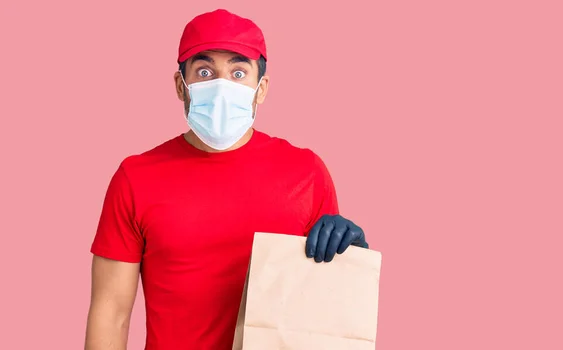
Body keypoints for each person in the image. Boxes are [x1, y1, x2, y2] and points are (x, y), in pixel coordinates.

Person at [84, 8, 369, 350]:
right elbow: (111, 312)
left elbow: (320, 304)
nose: (221, 86)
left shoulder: (306, 173)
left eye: (238, 72)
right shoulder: (135, 178)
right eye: (205, 71)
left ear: (260, 89)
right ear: (181, 85)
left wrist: (350, 259)